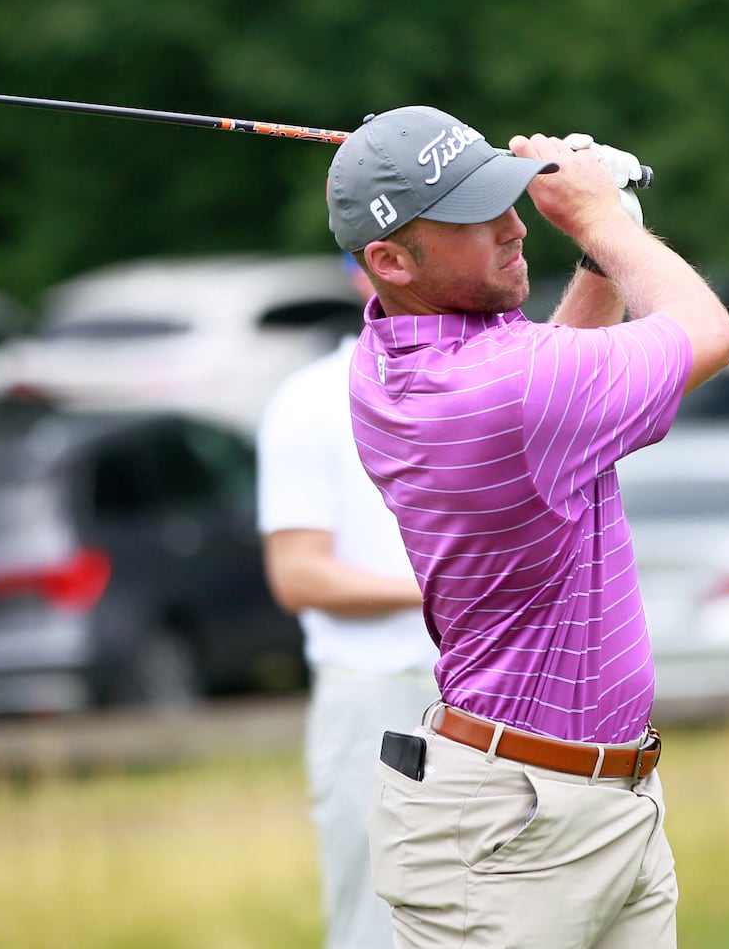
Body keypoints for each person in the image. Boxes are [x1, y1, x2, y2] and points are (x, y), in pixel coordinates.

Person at [324, 106, 729, 948]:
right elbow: (706, 333)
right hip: (509, 834)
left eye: (507, 200)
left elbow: (560, 378)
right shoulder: (500, 388)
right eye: (475, 220)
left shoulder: (404, 357)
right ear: (390, 260)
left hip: (596, 806)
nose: (514, 228)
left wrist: (600, 251)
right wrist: (599, 217)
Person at [256, 254, 442, 949]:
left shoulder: (504, 373)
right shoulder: (311, 397)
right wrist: (449, 591)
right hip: (381, 701)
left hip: (500, 698)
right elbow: (299, 575)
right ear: (366, 269)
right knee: (379, 928)